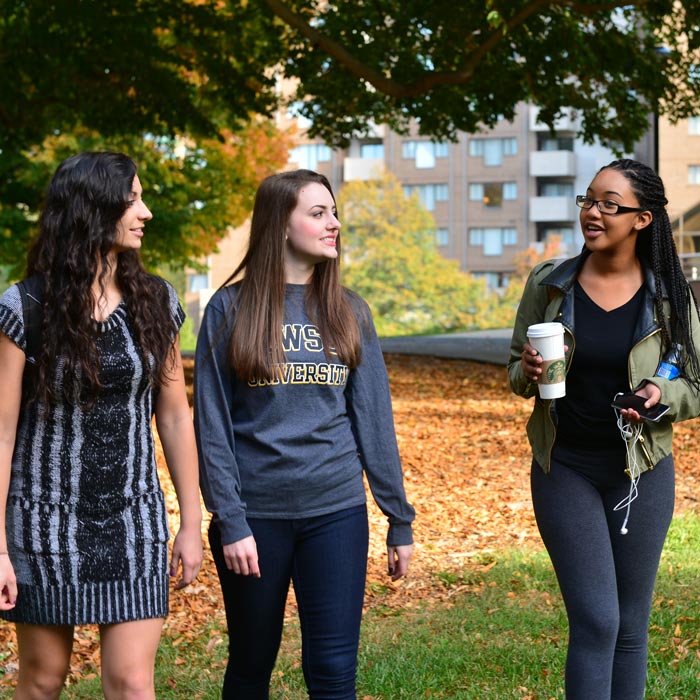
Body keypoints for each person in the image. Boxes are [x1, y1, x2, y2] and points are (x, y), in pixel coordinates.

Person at [194, 169, 415, 699]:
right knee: (251, 663)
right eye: (318, 214)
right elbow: (212, 425)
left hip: (336, 512)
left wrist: (398, 518)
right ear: (279, 224)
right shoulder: (229, 309)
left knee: (335, 671)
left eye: (334, 212)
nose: (333, 224)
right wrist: (231, 519)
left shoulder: (349, 310)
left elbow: (373, 421)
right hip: (256, 519)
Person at [0, 151, 203, 699]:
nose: (147, 212)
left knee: (132, 682)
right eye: (133, 198)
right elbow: (1, 431)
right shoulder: (25, 307)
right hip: (44, 523)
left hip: (133, 518)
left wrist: (191, 519)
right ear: (93, 208)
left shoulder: (155, 300)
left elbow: (175, 415)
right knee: (42, 681)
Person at [508, 159, 700, 699]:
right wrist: (527, 370)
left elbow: (697, 382)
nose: (593, 213)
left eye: (609, 204)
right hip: (565, 465)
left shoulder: (667, 295)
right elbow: (513, 373)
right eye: (588, 200)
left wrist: (662, 395)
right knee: (596, 620)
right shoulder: (550, 283)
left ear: (642, 219)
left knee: (631, 626)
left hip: (641, 471)